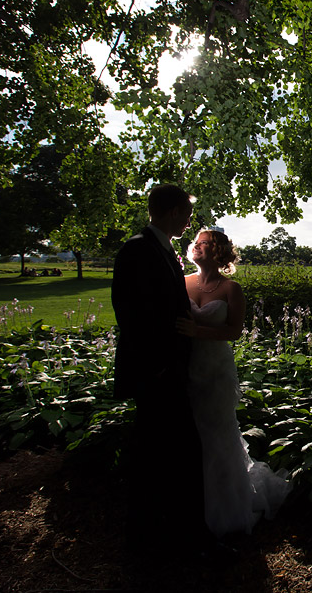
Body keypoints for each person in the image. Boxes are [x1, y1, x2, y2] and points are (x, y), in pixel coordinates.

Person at [110, 183, 208, 553]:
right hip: (157, 374)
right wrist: (160, 368)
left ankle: (157, 532)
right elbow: (131, 314)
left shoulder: (162, 249)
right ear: (170, 212)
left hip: (170, 371)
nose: (188, 220)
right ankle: (165, 535)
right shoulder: (137, 250)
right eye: (185, 213)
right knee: (169, 451)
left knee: (163, 451)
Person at [176, 228, 291, 538]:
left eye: (206, 244)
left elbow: (234, 332)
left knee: (217, 433)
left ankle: (225, 505)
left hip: (215, 369)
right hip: (183, 368)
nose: (198, 247)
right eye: (196, 243)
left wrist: (196, 332)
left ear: (220, 252)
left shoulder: (231, 289)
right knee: (189, 435)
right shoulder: (181, 282)